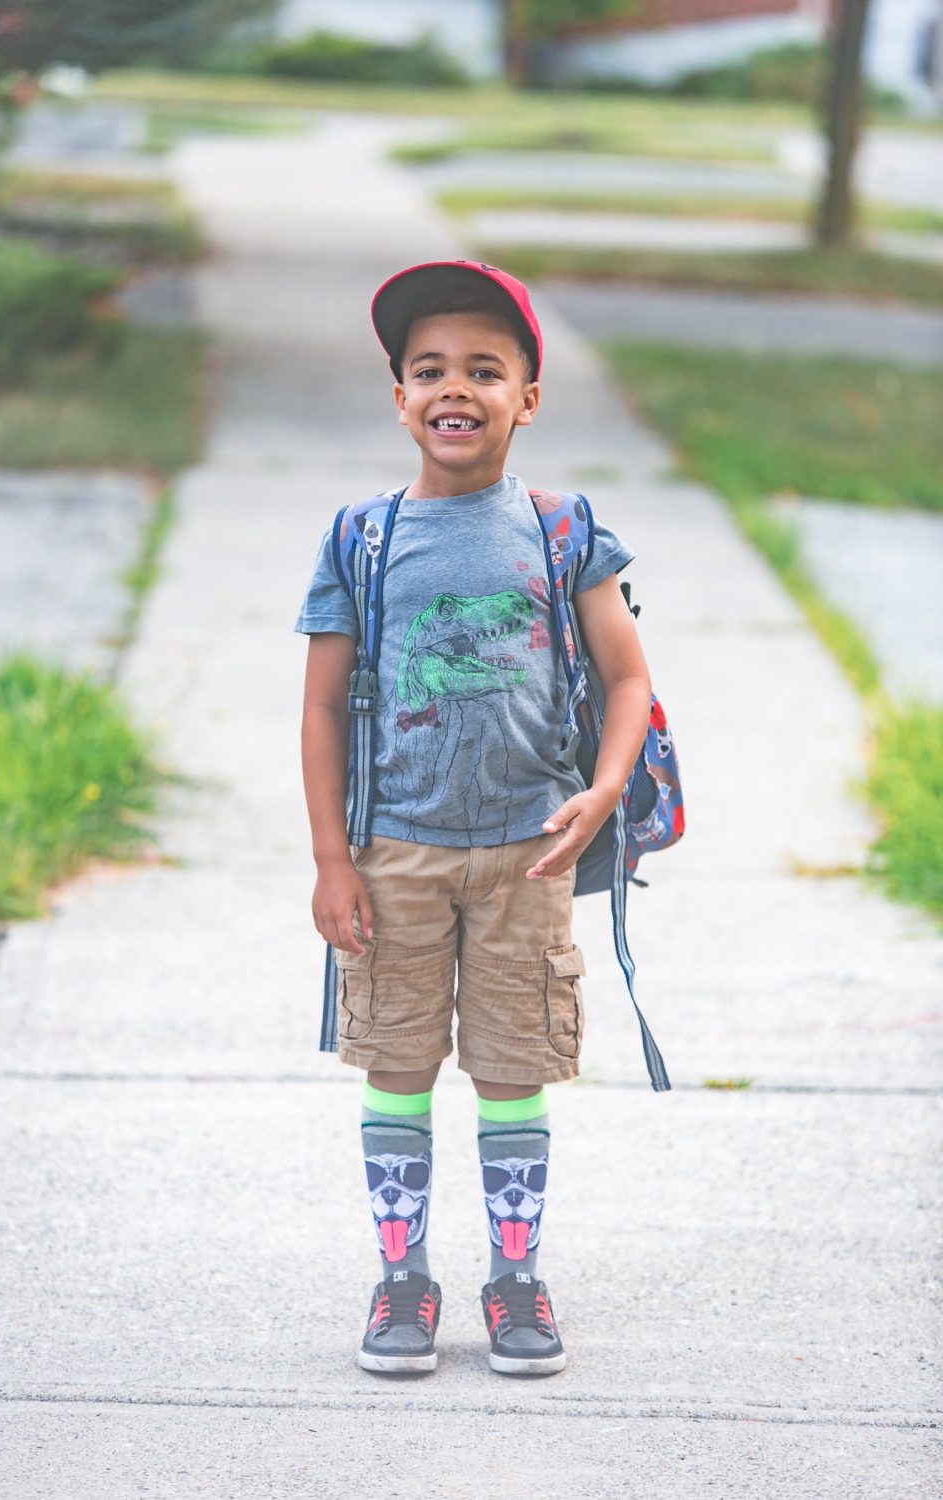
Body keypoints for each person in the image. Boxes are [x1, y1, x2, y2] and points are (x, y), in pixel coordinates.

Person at [295, 260, 651, 1376]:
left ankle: (514, 1277)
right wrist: (329, 862)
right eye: (429, 369)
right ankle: (402, 1278)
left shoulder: (561, 531)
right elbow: (317, 703)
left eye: (485, 370)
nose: (456, 389)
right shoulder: (361, 537)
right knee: (394, 1065)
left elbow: (628, 678)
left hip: (526, 861)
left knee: (511, 1071)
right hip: (393, 852)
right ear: (399, 397)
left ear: (526, 399)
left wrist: (600, 791)